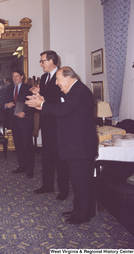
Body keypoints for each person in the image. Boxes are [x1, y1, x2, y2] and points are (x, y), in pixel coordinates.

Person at [26, 66, 98, 224]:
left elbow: (63, 111)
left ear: (68, 77)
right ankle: (82, 209)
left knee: (81, 182)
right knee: (80, 181)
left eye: (58, 79)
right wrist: (42, 105)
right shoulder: (74, 91)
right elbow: (61, 111)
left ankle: (82, 215)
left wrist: (43, 104)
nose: (57, 83)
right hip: (77, 145)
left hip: (81, 147)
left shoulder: (79, 91)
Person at [31, 50, 69, 201]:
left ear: (52, 61)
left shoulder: (61, 76)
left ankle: (64, 190)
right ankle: (47, 185)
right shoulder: (44, 77)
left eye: (43, 61)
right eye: (40, 61)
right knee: (46, 156)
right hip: (46, 122)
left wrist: (41, 98)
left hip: (58, 123)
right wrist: (38, 93)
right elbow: (46, 99)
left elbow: (58, 99)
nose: (41, 64)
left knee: (60, 158)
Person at [3, 69, 34, 178]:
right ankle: (22, 166)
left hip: (25, 121)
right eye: (13, 76)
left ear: (22, 76)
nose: (14, 78)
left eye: (17, 76)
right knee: (18, 146)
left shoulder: (28, 88)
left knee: (27, 145)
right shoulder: (9, 88)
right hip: (14, 121)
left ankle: (30, 169)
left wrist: (24, 112)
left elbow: (33, 104)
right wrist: (6, 104)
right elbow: (4, 101)